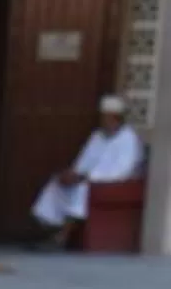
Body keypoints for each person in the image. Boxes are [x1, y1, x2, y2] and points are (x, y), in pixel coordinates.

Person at [32, 95, 144, 244]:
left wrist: (85, 177)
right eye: (103, 117)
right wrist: (73, 174)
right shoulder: (98, 135)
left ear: (117, 118)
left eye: (107, 118)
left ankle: (62, 237)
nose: (104, 121)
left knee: (83, 189)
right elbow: (84, 161)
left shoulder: (129, 138)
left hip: (115, 185)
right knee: (57, 183)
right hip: (88, 179)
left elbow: (121, 171)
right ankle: (50, 230)